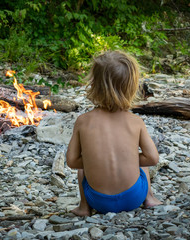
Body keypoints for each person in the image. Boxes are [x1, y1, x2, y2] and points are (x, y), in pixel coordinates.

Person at [66, 50, 162, 216]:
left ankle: (84, 207)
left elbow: (72, 161)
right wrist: (129, 159)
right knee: (142, 161)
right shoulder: (135, 122)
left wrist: (95, 161)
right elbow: (152, 158)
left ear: (94, 85)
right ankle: (150, 199)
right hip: (134, 198)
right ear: (132, 87)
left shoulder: (83, 121)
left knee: (83, 169)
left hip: (98, 201)